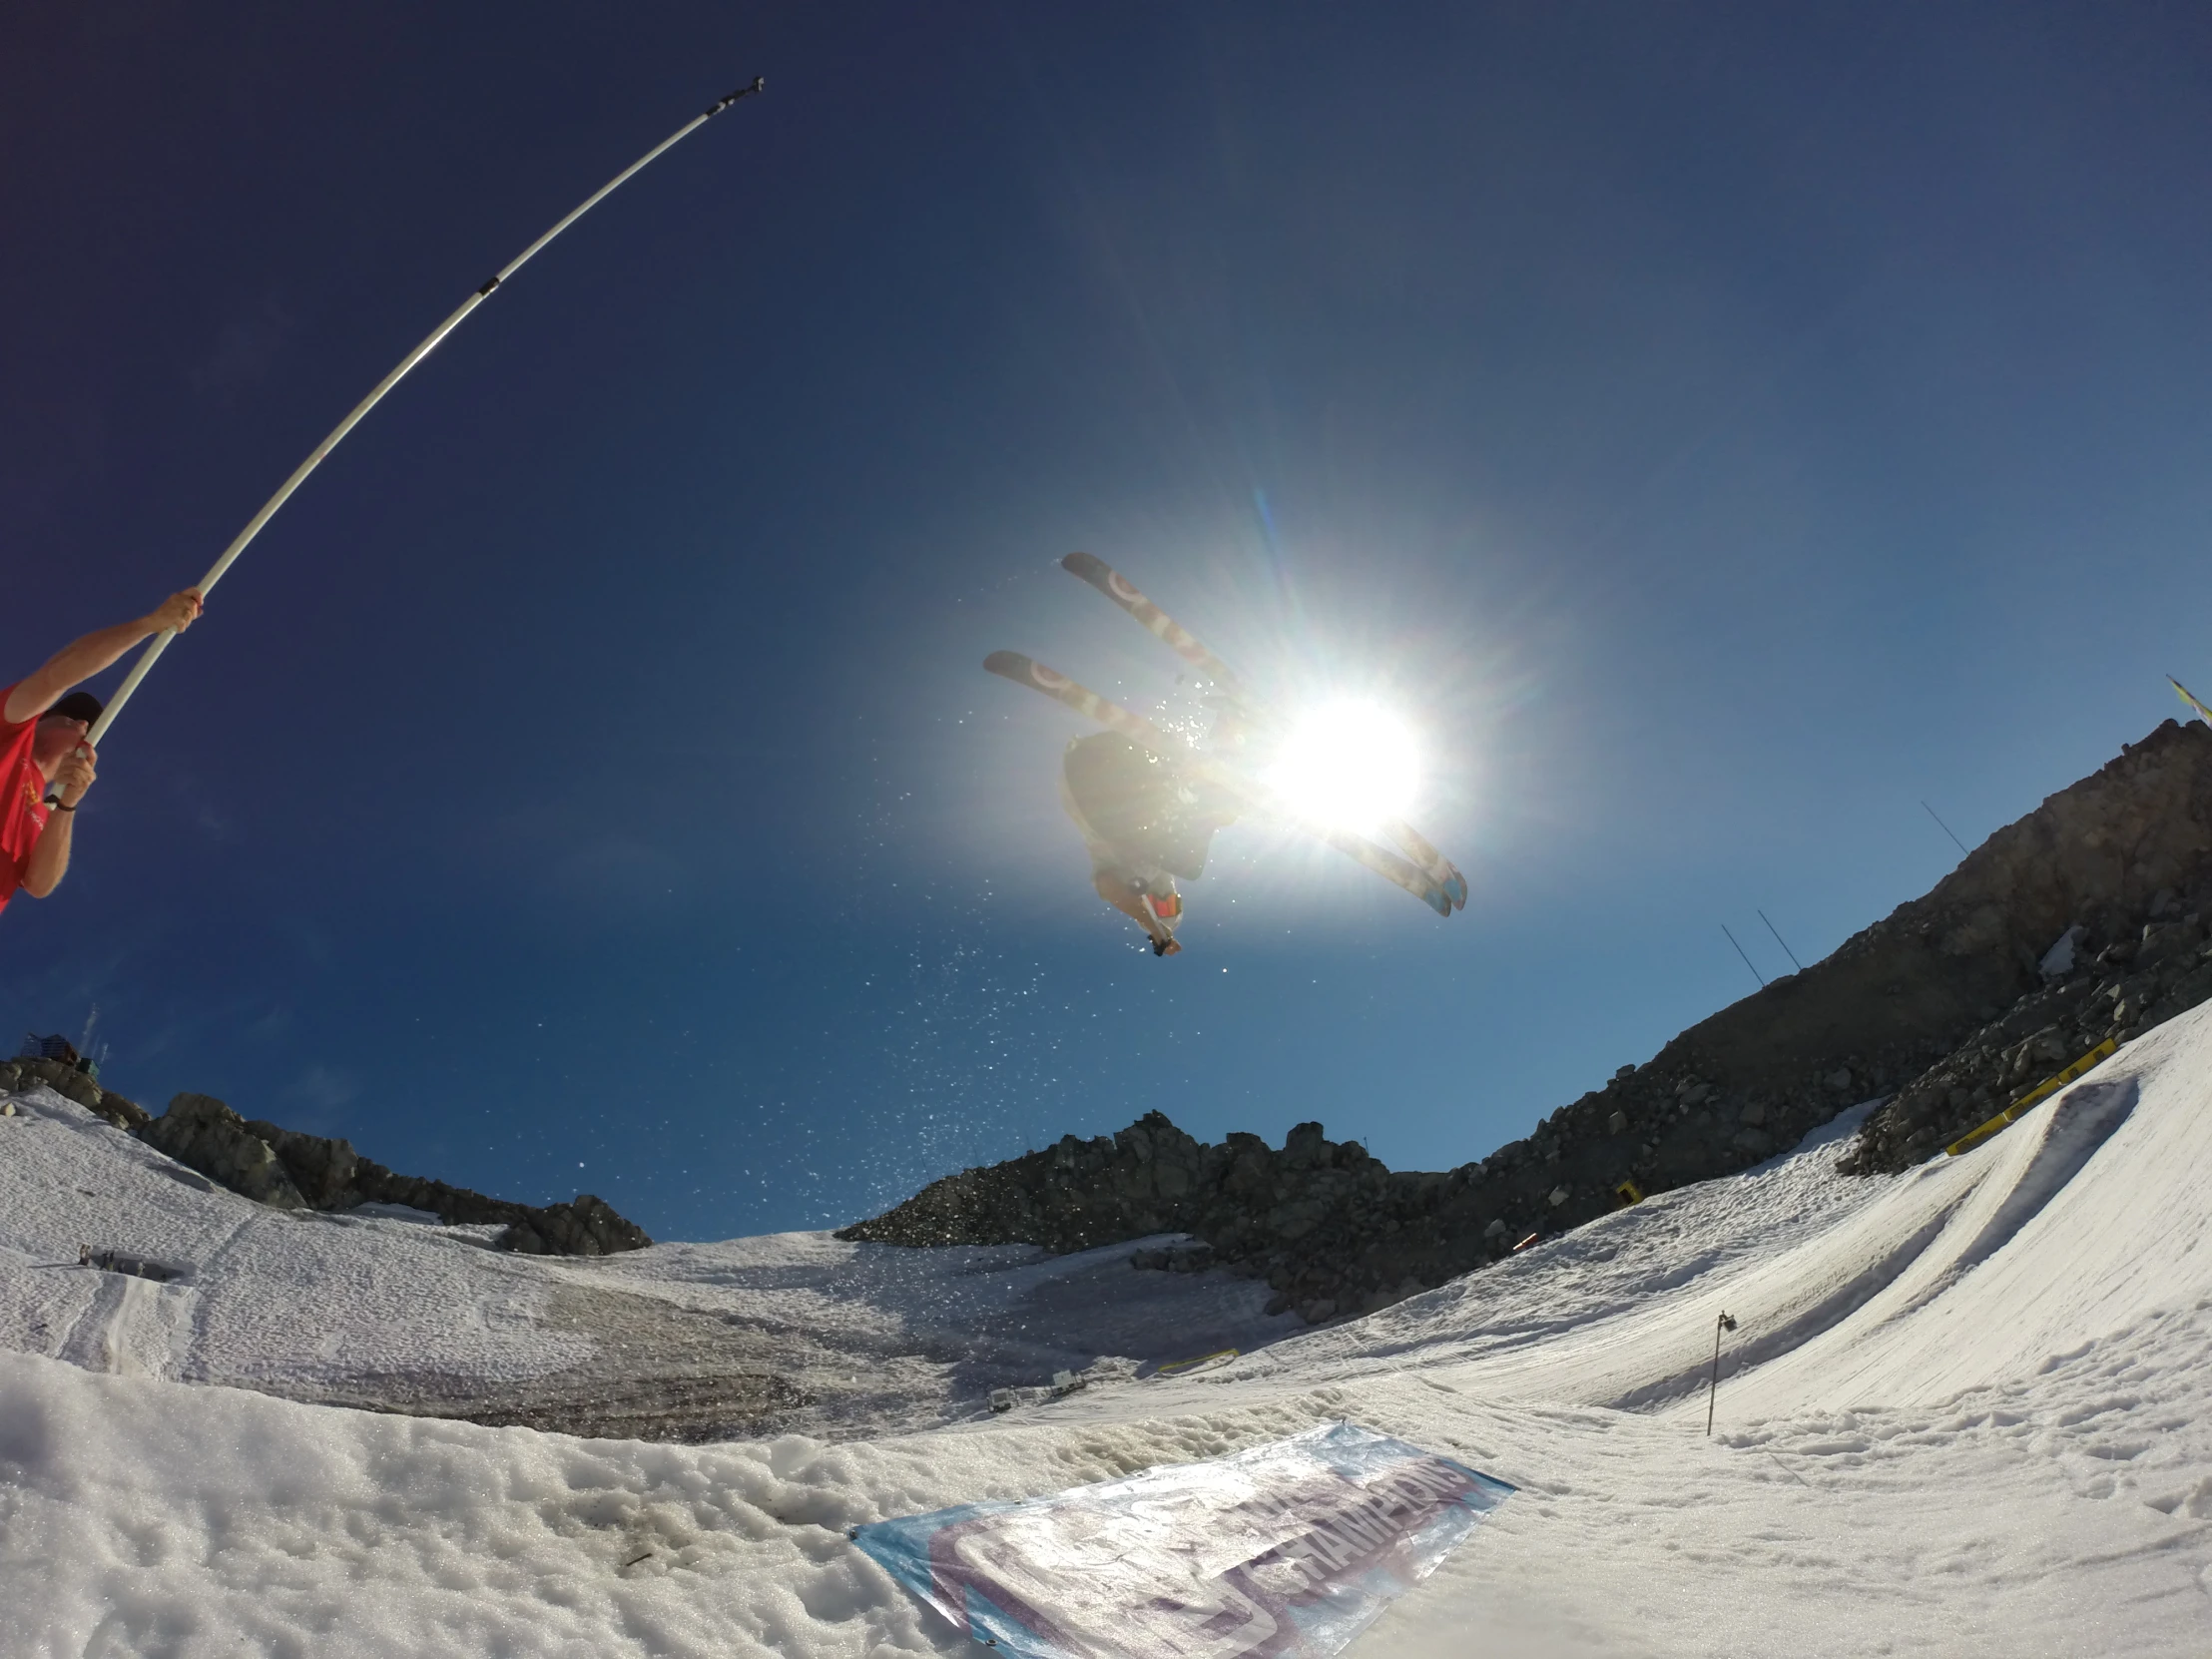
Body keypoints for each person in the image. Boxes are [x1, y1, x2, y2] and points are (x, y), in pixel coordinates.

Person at [2, 590, 204, 919]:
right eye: (70, 716)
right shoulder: (11, 729)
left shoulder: (41, 815)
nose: (82, 722)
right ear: (40, 718)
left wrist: (67, 804)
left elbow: (39, 884)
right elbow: (58, 673)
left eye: (87, 726)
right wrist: (150, 624)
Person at [1059, 731, 1237, 955]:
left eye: (1161, 906)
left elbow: (1109, 887)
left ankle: (1210, 804)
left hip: (1089, 792)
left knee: (1189, 865)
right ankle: (1224, 746)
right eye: (1171, 904)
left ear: (1147, 905)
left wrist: (1153, 926)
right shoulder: (1163, 859)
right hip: (1113, 770)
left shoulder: (1128, 880)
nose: (1164, 897)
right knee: (1176, 834)